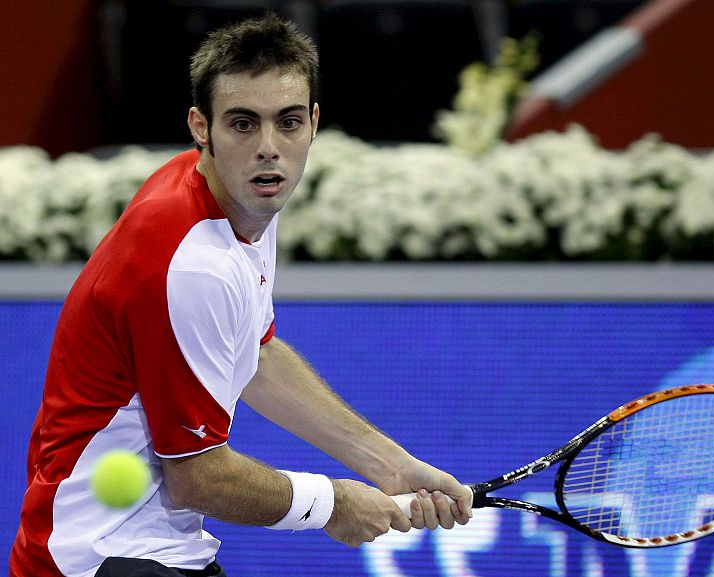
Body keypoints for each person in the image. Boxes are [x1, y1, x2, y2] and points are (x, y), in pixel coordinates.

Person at [9, 13, 472, 577]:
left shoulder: (236, 198)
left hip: (153, 546)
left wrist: (388, 464)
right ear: (201, 126)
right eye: (244, 124)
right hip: (97, 558)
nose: (269, 148)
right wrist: (331, 503)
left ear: (314, 123)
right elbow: (198, 477)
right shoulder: (194, 263)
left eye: (289, 122)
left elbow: (254, 353)